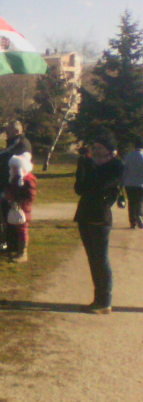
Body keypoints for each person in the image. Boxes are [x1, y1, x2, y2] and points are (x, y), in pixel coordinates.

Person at [74, 132, 124, 314]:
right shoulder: (90, 164)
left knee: (100, 259)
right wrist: (82, 166)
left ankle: (104, 301)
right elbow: (80, 188)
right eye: (94, 147)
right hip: (85, 214)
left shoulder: (116, 165)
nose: (95, 151)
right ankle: (98, 299)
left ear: (109, 150)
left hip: (100, 216)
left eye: (99, 148)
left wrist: (89, 167)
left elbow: (99, 186)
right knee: (92, 259)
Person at [0, 121, 32, 252]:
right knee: (3, 216)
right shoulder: (16, 141)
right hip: (7, 184)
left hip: (15, 185)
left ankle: (15, 246)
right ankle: (7, 243)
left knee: (13, 218)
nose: (6, 133)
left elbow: (4, 154)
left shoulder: (20, 142)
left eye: (9, 131)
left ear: (17, 131)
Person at [2, 154, 37, 262]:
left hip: (23, 208)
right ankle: (18, 251)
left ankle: (22, 253)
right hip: (16, 206)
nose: (13, 168)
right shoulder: (15, 178)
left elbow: (30, 196)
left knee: (23, 229)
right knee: (17, 229)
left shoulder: (28, 179)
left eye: (15, 166)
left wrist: (19, 203)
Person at [122, 137, 143, 229]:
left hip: (129, 183)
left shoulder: (128, 156)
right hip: (140, 183)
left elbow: (125, 170)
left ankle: (132, 222)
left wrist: (122, 181)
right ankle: (139, 216)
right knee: (139, 202)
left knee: (131, 202)